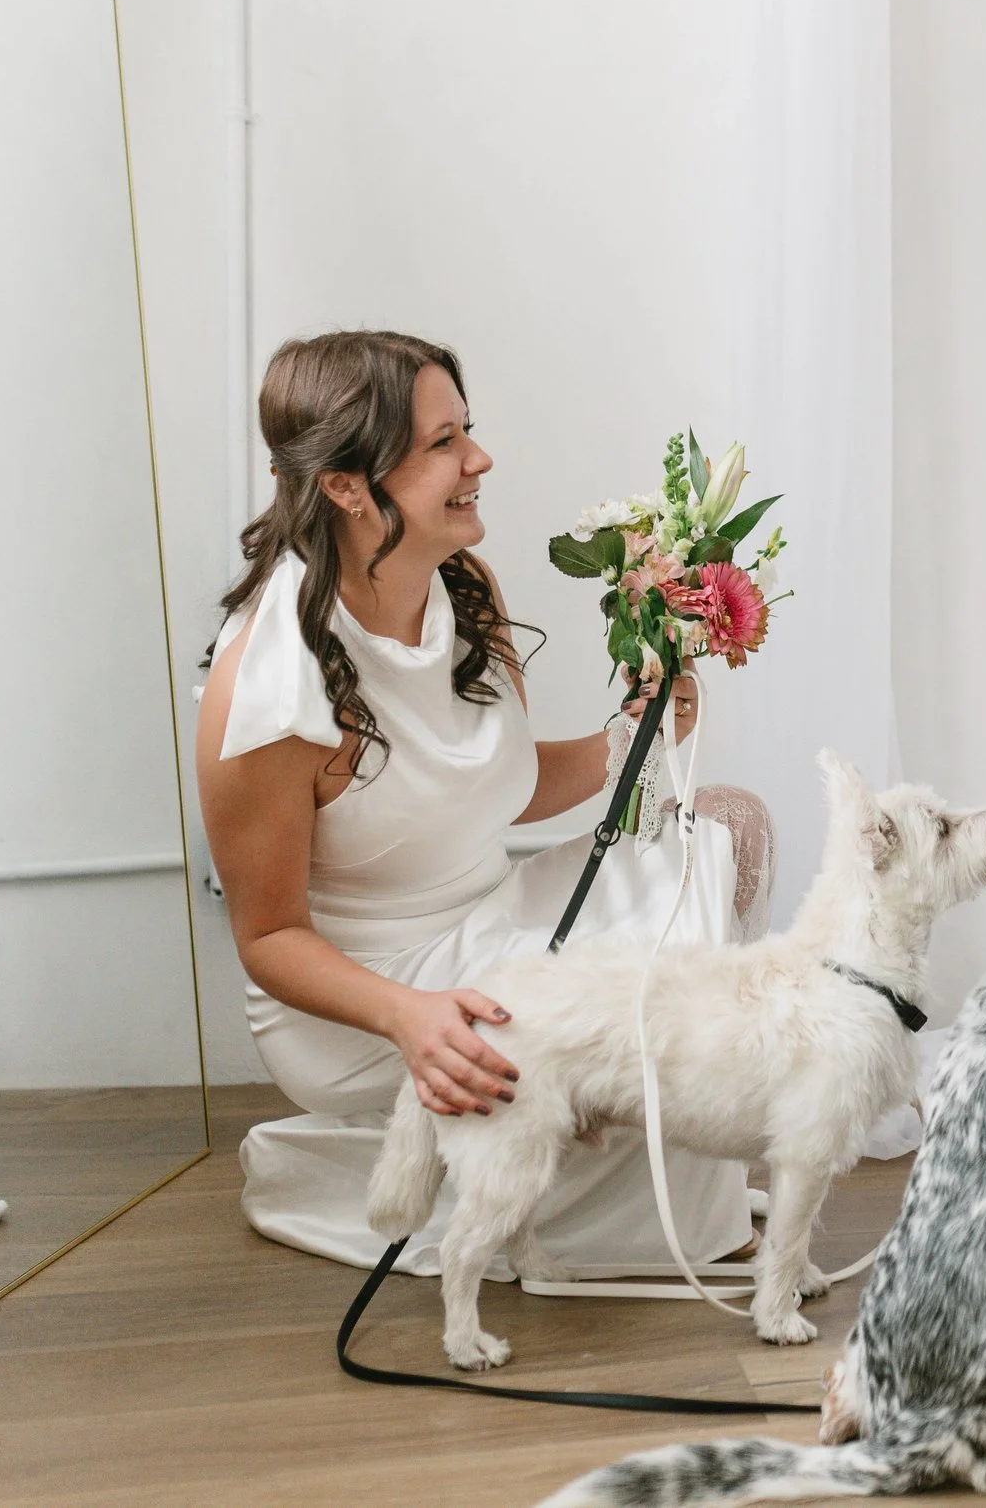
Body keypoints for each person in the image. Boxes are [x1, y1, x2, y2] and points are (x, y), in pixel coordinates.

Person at [196, 329, 766, 1277]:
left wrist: (636, 730)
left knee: (730, 826)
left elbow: (490, 787)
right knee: (650, 1018)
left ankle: (590, 1173)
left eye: (470, 430)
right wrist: (413, 1019)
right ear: (346, 484)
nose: (479, 460)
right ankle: (585, 1208)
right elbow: (268, 938)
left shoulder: (464, 586)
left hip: (489, 916)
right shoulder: (268, 684)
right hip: (367, 991)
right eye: (443, 443)